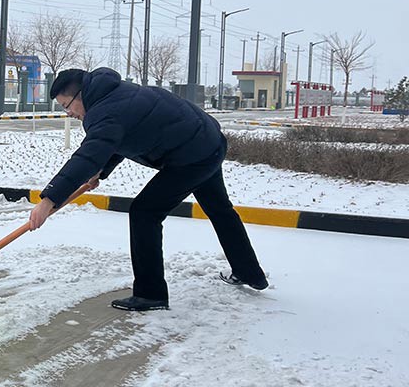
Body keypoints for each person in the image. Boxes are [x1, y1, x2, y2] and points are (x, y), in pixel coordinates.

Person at [29, 67, 269, 312]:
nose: (69, 113)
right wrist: (100, 171)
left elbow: (88, 154)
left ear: (79, 95)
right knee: (220, 210)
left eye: (66, 105)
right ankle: (251, 274)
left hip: (192, 155)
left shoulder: (105, 111)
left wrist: (49, 200)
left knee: (145, 213)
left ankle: (150, 295)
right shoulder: (116, 94)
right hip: (208, 141)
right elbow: (119, 139)